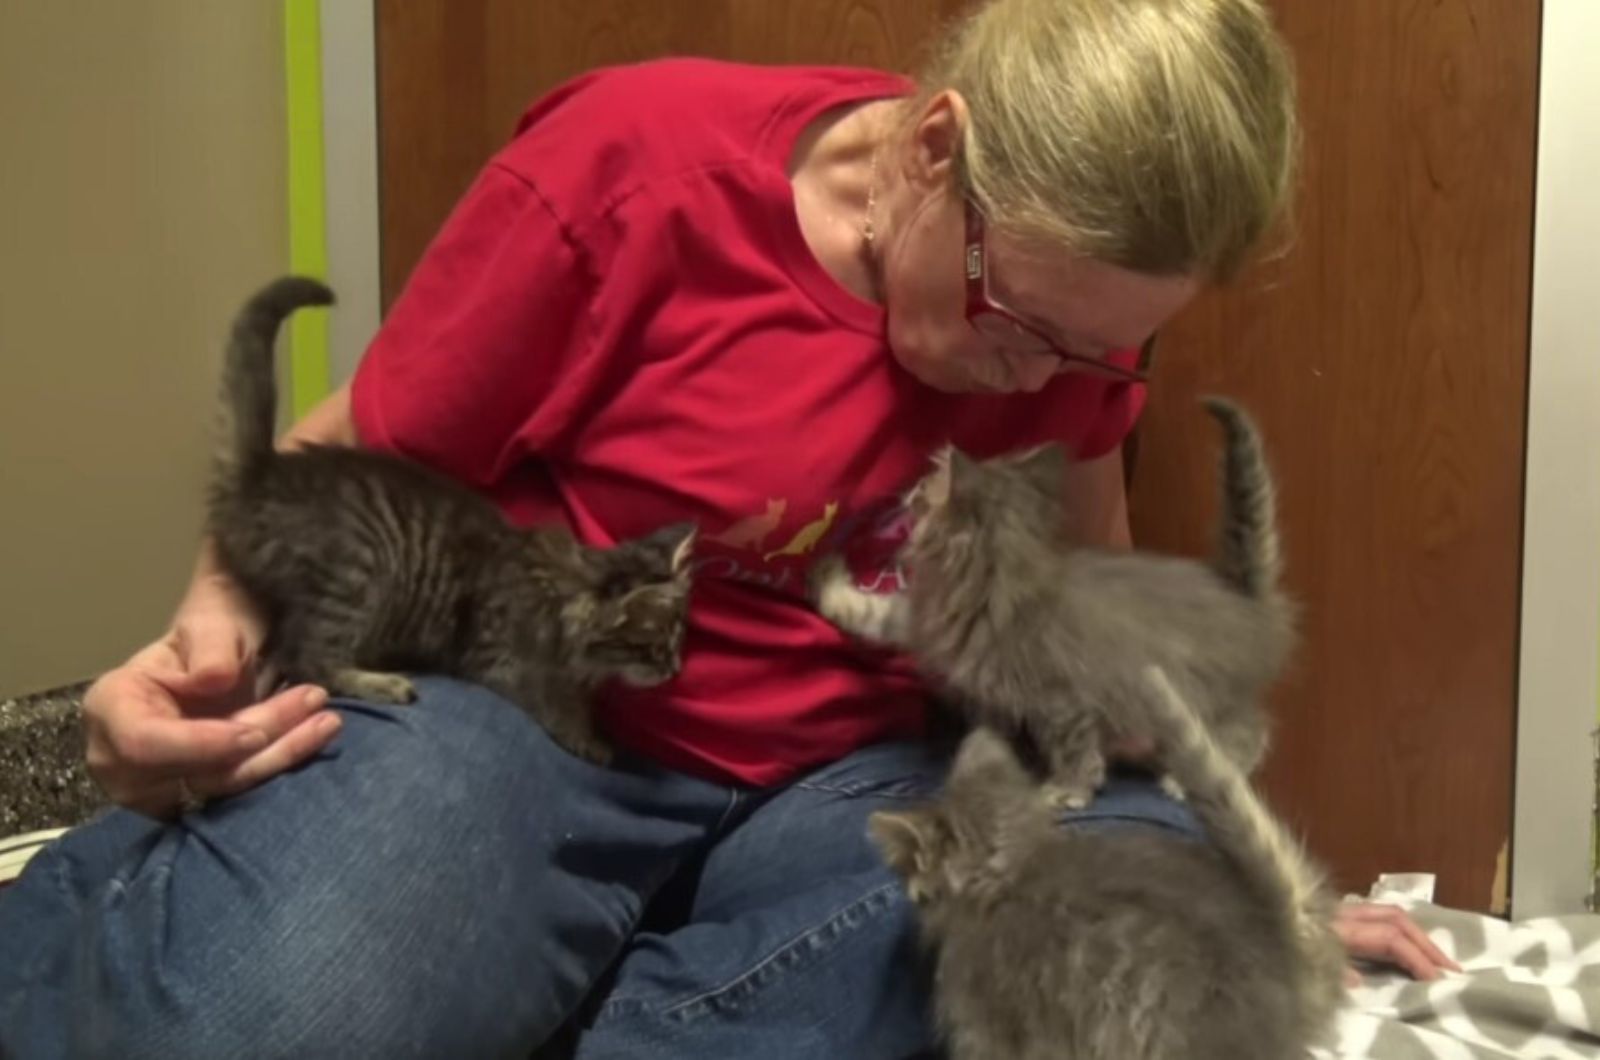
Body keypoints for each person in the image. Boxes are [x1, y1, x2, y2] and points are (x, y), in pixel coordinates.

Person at [0, 0, 1456, 1055]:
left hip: (857, 785)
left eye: (1099, 358)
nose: (1044, 382)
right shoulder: (639, 171)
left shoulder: (1065, 345)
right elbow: (338, 464)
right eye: (1021, 325)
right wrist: (191, 657)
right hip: (535, 727)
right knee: (257, 1017)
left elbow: (1070, 635)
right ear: (936, 149)